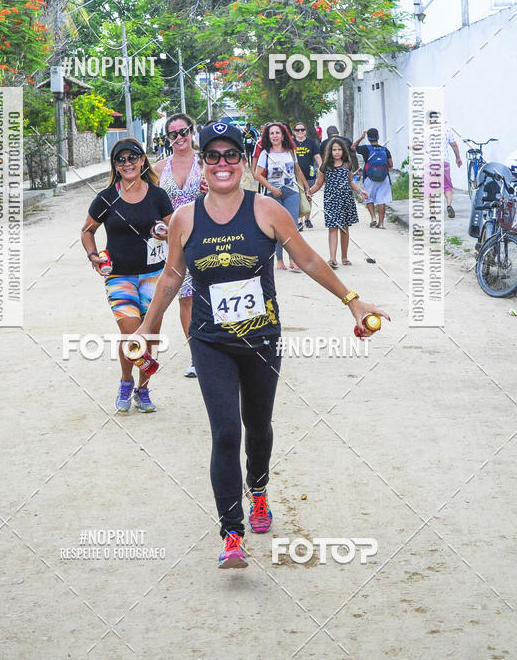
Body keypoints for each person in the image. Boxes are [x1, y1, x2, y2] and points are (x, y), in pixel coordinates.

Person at [131, 120, 388, 569]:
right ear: (203, 163)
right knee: (226, 432)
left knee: (258, 426)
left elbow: (308, 258)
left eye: (231, 155)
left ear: (243, 162)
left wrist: (352, 300)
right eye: (214, 156)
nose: (223, 163)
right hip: (210, 341)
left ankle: (260, 489)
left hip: (261, 340)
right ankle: (232, 532)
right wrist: (147, 330)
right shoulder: (185, 218)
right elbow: (172, 275)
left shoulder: (267, 210)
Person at [81, 138, 173, 413]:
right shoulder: (106, 197)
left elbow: (175, 229)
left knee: (151, 335)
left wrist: (165, 232)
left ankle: (143, 390)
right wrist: (93, 255)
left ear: (142, 160)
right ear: (115, 166)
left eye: (132, 157)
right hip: (119, 276)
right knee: (131, 333)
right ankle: (126, 381)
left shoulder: (158, 196)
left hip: (154, 275)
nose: (127, 163)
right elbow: (87, 231)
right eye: (120, 160)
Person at [154, 112, 207, 379]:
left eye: (183, 132)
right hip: (175, 243)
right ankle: (197, 355)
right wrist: (155, 227)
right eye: (173, 134)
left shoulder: (207, 162)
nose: (179, 138)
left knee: (210, 295)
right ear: (167, 138)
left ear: (192, 131)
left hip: (207, 237)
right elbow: (151, 207)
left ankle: (219, 348)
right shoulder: (158, 169)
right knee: (186, 299)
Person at [254, 122, 310, 271]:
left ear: (283, 135)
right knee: (277, 228)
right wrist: (272, 188)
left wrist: (306, 188)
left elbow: (297, 170)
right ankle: (279, 260)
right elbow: (257, 175)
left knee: (292, 227)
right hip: (273, 194)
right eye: (271, 133)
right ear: (268, 136)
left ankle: (293, 259)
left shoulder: (290, 151)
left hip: (292, 192)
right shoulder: (265, 153)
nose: (275, 136)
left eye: (277, 133)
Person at [309, 137, 368, 267]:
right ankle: (332, 258)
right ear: (330, 151)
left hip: (346, 199)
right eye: (334, 150)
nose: (336, 152)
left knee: (344, 229)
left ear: (343, 151)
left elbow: (350, 181)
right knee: (332, 228)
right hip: (331, 200)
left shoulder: (347, 164)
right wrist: (309, 192)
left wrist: (360, 191)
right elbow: (318, 184)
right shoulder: (325, 166)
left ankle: (344, 257)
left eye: (339, 149)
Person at [352, 128, 393, 228]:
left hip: (369, 177)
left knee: (368, 197)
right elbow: (391, 165)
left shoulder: (365, 148)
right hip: (384, 177)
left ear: (368, 138)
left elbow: (353, 147)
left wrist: (361, 138)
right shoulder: (385, 150)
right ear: (378, 137)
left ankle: (373, 218)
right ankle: (381, 223)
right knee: (381, 200)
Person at [292, 121, 320, 230]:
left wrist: (321, 167)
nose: (300, 132)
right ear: (294, 132)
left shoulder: (311, 143)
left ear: (305, 131)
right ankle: (299, 221)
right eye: (297, 130)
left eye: (302, 129)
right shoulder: (291, 143)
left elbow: (317, 156)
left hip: (309, 174)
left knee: (308, 196)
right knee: (298, 197)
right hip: (295, 175)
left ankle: (307, 219)